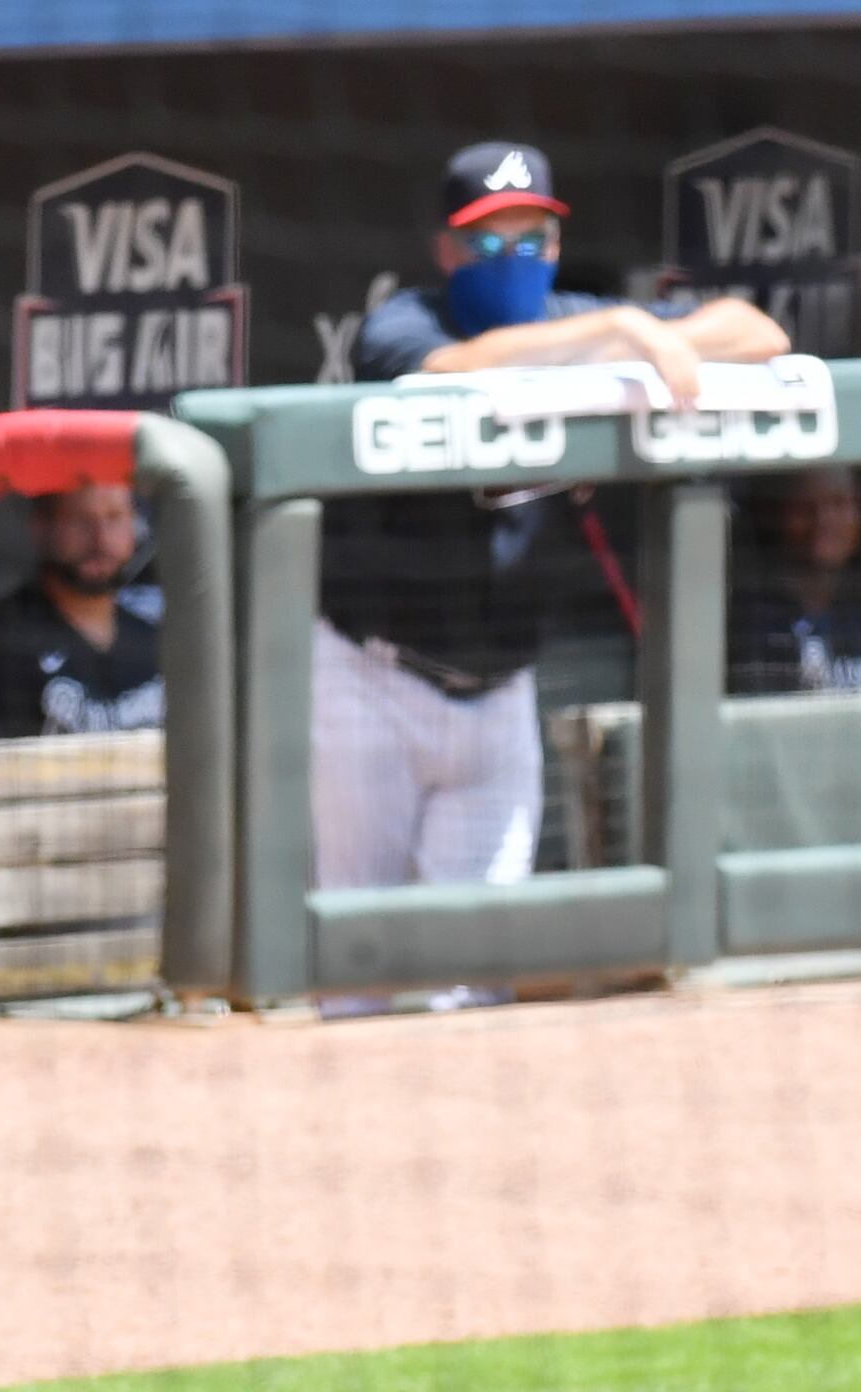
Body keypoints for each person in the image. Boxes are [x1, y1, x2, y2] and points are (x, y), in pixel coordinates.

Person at [316, 144, 786, 892]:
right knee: (350, 963)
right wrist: (616, 338)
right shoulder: (403, 323)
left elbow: (759, 333)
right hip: (374, 681)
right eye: (487, 242)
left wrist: (637, 331)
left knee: (474, 970)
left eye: (532, 239)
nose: (513, 259)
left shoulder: (589, 319)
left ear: (558, 246)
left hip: (501, 689)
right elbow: (447, 369)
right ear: (445, 249)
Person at [0, 483, 162, 740]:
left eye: (114, 517)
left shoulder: (161, 635)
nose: (100, 538)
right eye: (80, 520)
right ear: (41, 526)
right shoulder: (3, 640)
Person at [729, 467, 861, 694]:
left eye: (839, 503)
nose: (824, 520)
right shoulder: (751, 626)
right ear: (774, 516)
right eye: (803, 507)